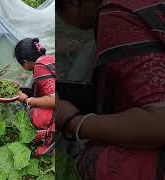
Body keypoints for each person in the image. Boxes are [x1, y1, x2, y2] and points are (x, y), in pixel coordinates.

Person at [57, 0, 165, 180]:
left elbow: (161, 122)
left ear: (73, 3)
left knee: (92, 161)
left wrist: (74, 122)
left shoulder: (114, 17)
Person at [14, 38, 56, 156]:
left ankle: (52, 141)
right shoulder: (47, 59)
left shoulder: (39, 66)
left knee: (34, 114)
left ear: (25, 62)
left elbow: (53, 99)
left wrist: (27, 100)